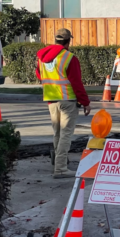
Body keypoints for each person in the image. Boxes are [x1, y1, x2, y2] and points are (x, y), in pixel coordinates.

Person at [36, 28, 91, 179]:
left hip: (51, 100)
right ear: (68, 41)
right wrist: (85, 102)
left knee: (58, 134)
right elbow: (76, 83)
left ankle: (58, 163)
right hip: (67, 100)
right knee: (66, 134)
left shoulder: (42, 57)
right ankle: (61, 168)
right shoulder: (69, 57)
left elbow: (39, 75)